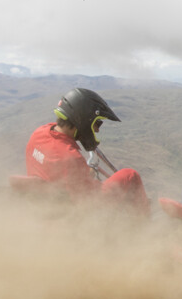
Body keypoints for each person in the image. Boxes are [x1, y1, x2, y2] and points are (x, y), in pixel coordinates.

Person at [25, 87, 149, 215]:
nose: (97, 130)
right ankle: (143, 226)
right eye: (97, 123)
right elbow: (88, 201)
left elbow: (57, 167)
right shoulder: (71, 157)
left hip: (47, 200)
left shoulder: (39, 133)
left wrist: (82, 172)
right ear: (84, 119)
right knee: (130, 175)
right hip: (71, 212)